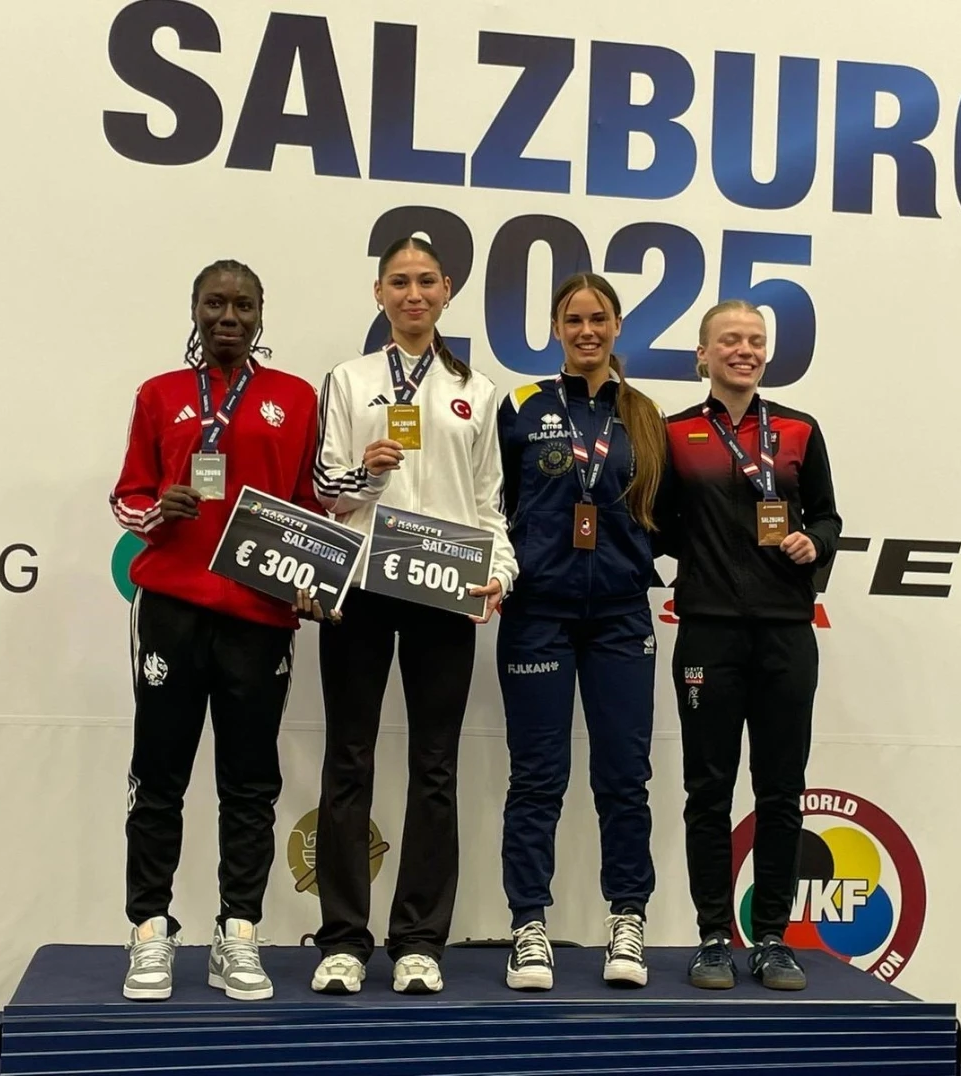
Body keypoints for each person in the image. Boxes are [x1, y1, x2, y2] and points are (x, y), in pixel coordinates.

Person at [110, 259, 332, 1003]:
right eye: (215, 304)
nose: (228, 317)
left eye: (242, 305)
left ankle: (239, 931)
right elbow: (127, 494)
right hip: (172, 608)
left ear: (261, 314)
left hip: (259, 617)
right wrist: (157, 509)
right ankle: (150, 929)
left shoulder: (295, 397)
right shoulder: (160, 393)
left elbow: (307, 505)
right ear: (195, 310)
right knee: (158, 776)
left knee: (250, 783)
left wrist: (312, 575)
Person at [310, 236, 518, 996]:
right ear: (379, 293)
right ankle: (341, 939)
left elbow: (490, 502)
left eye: (426, 281)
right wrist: (366, 474)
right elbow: (324, 488)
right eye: (398, 282)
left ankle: (420, 940)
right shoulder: (349, 379)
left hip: (443, 583)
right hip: (362, 582)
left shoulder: (478, 390)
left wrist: (499, 570)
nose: (413, 294)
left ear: (447, 289)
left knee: (435, 765)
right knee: (349, 759)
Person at [658, 299, 841, 991]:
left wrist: (813, 542)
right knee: (708, 790)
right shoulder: (673, 434)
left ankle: (771, 938)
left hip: (786, 632)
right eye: (730, 339)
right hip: (707, 629)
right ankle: (712, 937)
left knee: (781, 791)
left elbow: (828, 517)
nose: (745, 350)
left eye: (755, 340)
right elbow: (657, 523)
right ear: (702, 355)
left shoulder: (798, 429)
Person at [494, 273, 669, 991]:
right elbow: (492, 504)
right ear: (555, 329)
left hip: (621, 616)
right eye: (573, 320)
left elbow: (668, 517)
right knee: (538, 777)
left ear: (618, 325)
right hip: (538, 612)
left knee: (624, 777)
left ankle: (627, 918)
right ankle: (528, 925)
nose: (587, 331)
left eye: (599, 318)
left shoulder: (645, 415)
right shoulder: (522, 405)